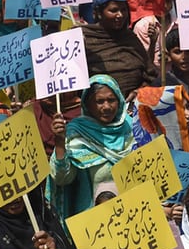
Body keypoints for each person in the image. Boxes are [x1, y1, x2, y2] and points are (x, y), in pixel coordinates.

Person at [49, 75, 135, 220]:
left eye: (111, 100)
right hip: (94, 224)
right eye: (99, 101)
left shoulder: (133, 128)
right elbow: (62, 179)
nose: (106, 107)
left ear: (120, 100)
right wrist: (59, 143)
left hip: (133, 216)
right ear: (87, 104)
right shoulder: (74, 133)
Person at [81, 0, 158, 99]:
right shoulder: (86, 38)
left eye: (123, 10)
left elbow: (148, 72)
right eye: (113, 10)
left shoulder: (130, 37)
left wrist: (140, 92)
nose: (120, 15)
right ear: (98, 13)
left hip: (134, 106)